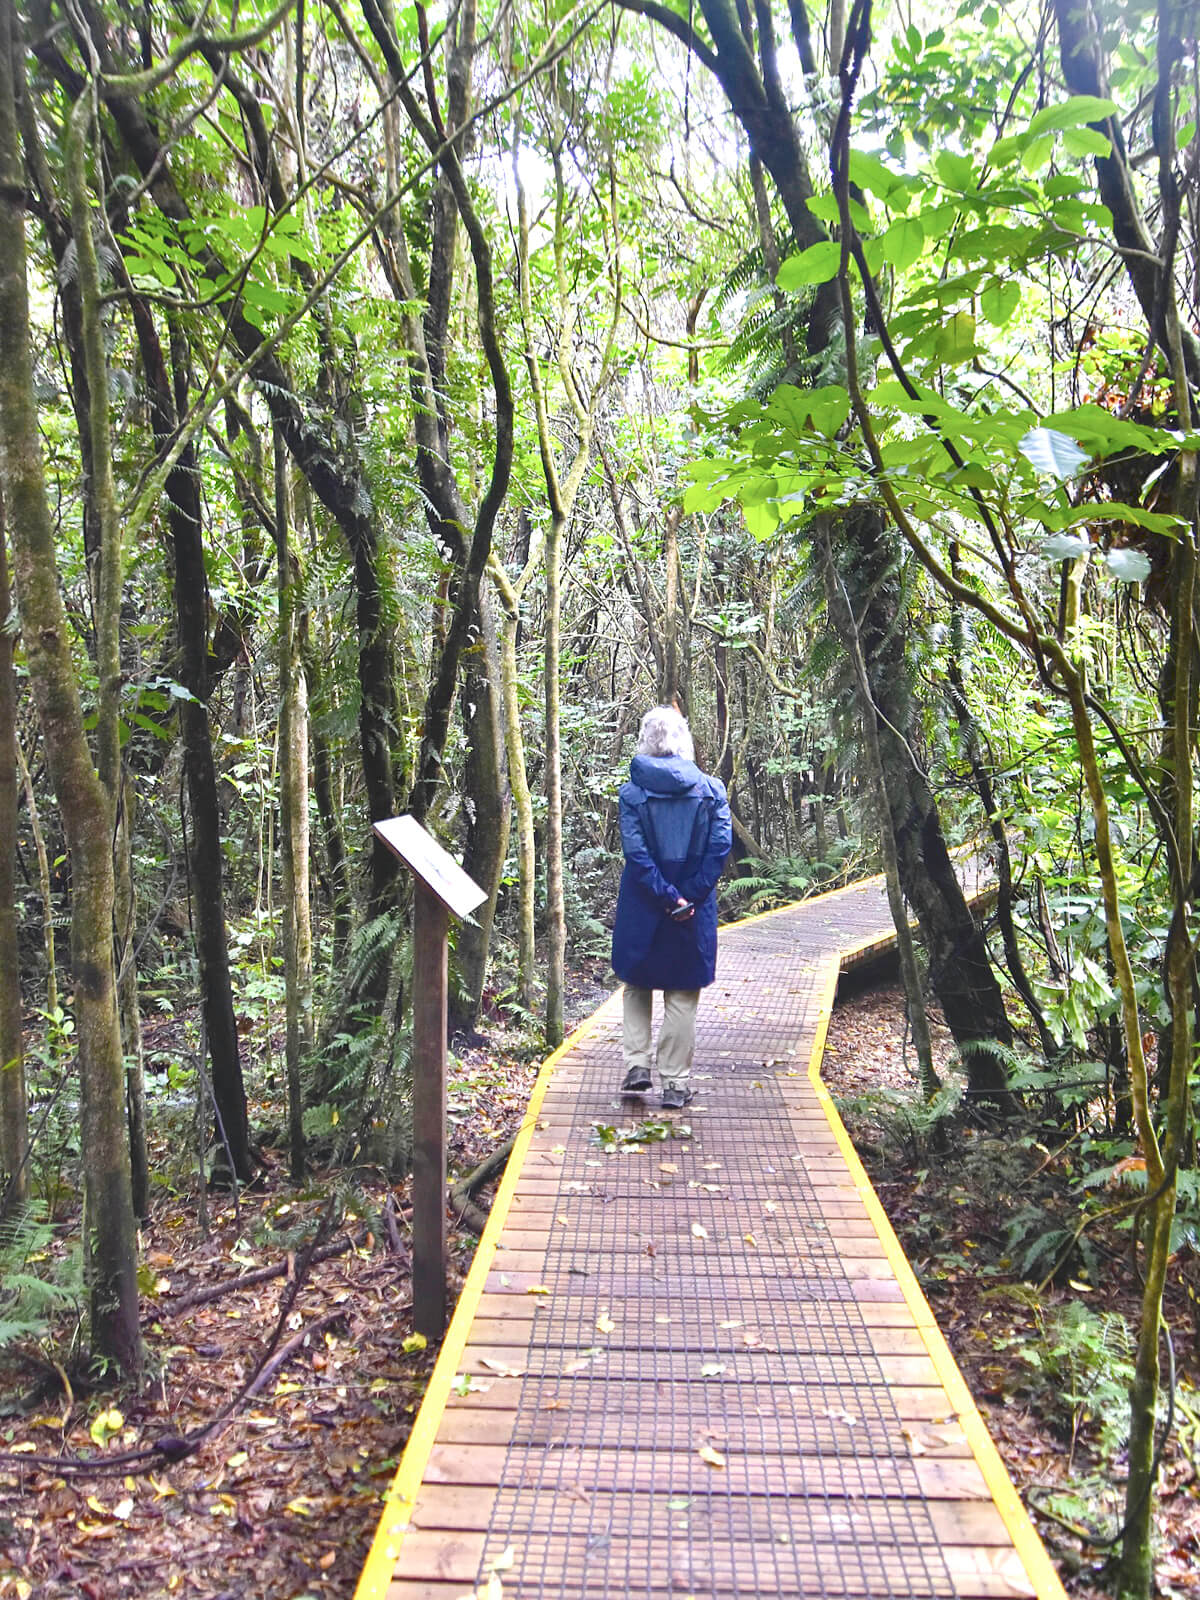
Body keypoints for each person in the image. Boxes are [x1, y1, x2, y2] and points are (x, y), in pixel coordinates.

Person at [611, 705, 733, 1110]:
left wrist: (666, 895)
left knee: (638, 983)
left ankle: (636, 1066)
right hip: (692, 909)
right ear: (683, 739)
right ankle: (676, 1084)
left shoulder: (632, 794)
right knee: (682, 992)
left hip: (644, 902)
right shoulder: (712, 790)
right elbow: (719, 848)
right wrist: (689, 897)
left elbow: (636, 853)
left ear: (646, 740)